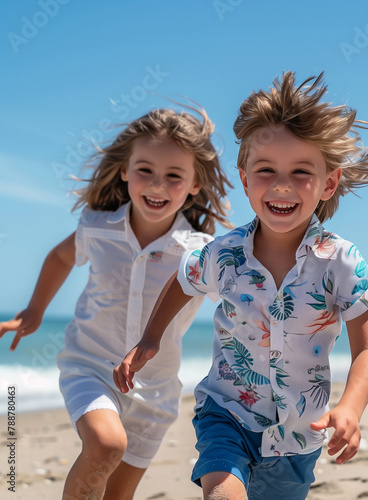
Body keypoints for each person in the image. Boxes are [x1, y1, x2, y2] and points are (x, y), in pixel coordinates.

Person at [114, 72, 368, 500]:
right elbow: (184, 279)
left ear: (329, 183)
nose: (282, 184)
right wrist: (150, 338)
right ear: (245, 179)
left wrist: (350, 409)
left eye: (301, 171)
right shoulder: (225, 253)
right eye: (266, 170)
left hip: (299, 434)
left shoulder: (341, 261)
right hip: (225, 412)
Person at [0, 104, 233, 500]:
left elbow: (240, 302)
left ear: (195, 184)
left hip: (155, 393)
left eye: (174, 176)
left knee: (117, 495)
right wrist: (35, 309)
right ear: (125, 170)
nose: (157, 185)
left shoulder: (201, 253)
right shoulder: (98, 228)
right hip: (90, 368)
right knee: (106, 445)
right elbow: (60, 257)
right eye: (145, 170)